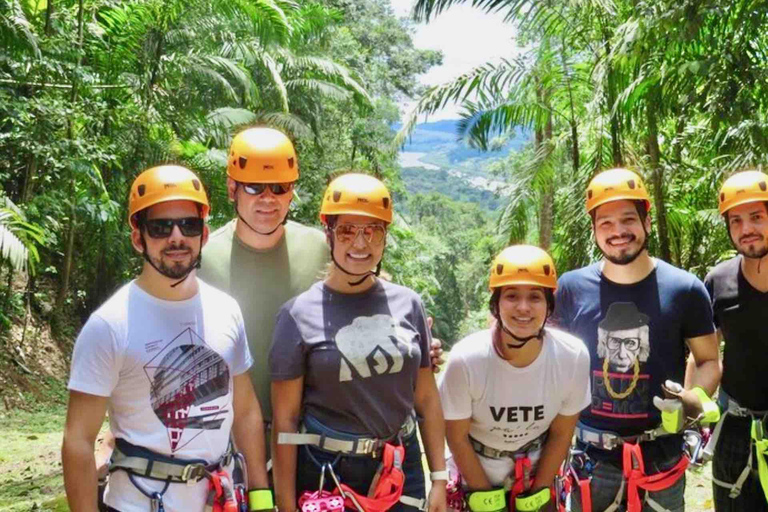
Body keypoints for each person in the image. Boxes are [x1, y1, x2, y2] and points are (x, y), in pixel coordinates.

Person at [62, 165, 271, 512]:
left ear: (203, 235)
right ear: (138, 238)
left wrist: (261, 498)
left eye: (188, 225)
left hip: (219, 501)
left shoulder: (227, 310)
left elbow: (246, 411)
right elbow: (78, 441)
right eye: (160, 227)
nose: (176, 237)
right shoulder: (109, 326)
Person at [270, 173, 447, 512]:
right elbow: (286, 421)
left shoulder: (408, 304)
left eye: (373, 231)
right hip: (328, 469)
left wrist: (438, 477)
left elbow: (425, 397)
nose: (361, 244)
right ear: (328, 233)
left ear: (384, 238)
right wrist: (285, 504)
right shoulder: (298, 315)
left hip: (400, 465)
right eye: (347, 231)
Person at [553, 168, 721, 512]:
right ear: (594, 231)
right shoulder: (570, 289)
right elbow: (547, 359)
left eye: (628, 219)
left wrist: (693, 399)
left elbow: (707, 359)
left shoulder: (684, 289)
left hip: (661, 457)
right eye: (606, 224)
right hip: (590, 459)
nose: (618, 232)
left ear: (647, 222)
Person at [439, 245, 591, 512]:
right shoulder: (467, 359)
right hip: (476, 466)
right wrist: (485, 499)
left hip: (537, 465)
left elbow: (561, 433)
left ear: (549, 305)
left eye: (535, 297)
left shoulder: (572, 356)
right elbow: (457, 436)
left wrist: (538, 493)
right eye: (511, 296)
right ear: (496, 303)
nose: (523, 308)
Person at [702, 170, 768, 512]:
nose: (747, 229)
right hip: (735, 426)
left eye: (756, 217)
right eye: (736, 220)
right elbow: (704, 353)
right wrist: (692, 398)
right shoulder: (718, 280)